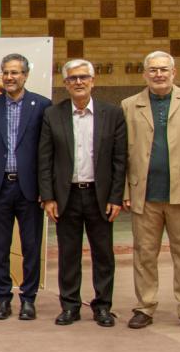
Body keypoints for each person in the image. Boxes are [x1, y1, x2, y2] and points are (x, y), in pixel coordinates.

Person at [122, 51, 180, 331]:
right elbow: (121, 152)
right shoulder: (129, 105)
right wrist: (124, 191)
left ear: (174, 72)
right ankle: (145, 306)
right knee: (144, 254)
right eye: (153, 70)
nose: (159, 74)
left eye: (164, 69)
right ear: (144, 74)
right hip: (144, 193)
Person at [38, 60, 126, 327]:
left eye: (83, 77)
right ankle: (70, 306)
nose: (78, 82)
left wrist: (116, 197)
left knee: (103, 254)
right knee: (68, 254)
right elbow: (45, 159)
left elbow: (120, 159)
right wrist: (48, 196)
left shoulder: (112, 114)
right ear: (65, 84)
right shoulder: (53, 115)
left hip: (100, 196)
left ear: (93, 81)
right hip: (67, 196)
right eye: (72, 78)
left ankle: (103, 306)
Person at [0, 54, 49, 321]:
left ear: (25, 75)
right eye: (6, 72)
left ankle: (29, 299)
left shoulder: (42, 105)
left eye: (15, 73)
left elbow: (47, 152)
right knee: (0, 248)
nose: (10, 77)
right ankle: (3, 299)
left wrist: (46, 189)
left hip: (30, 189)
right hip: (0, 188)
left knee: (31, 247)